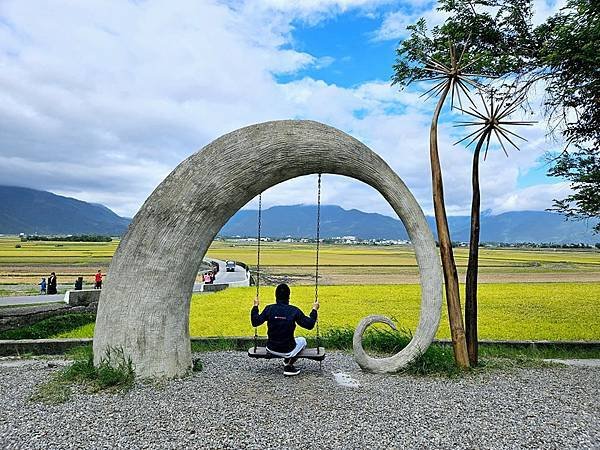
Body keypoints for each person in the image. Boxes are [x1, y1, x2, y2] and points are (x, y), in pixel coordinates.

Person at [250, 283, 319, 376]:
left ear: (276, 296)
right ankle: (289, 365)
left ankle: (287, 359)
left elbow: (255, 322)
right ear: (289, 297)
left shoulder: (269, 309)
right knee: (302, 340)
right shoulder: (294, 311)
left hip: (270, 348)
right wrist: (314, 309)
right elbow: (309, 325)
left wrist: (255, 306)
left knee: (293, 341)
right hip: (288, 349)